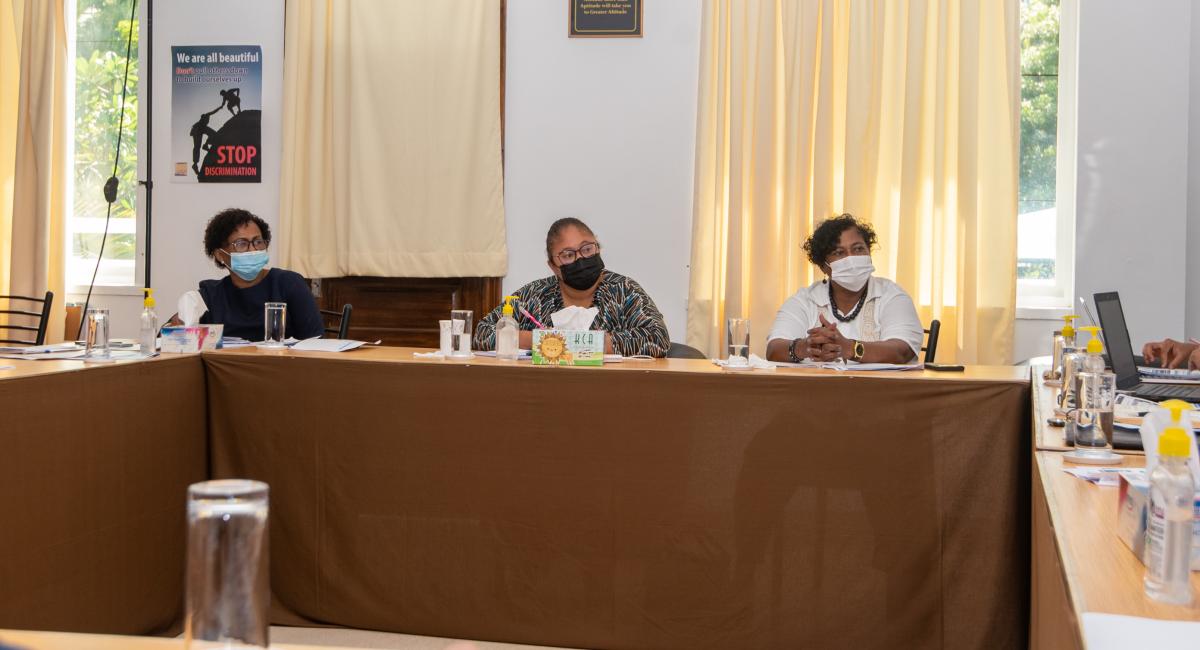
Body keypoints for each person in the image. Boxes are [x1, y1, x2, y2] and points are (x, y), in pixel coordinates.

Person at [474, 217, 670, 357]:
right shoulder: (534, 295)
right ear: (553, 266)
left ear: (598, 248)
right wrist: (542, 339)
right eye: (568, 255)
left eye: (586, 249)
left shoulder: (624, 291)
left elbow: (657, 339)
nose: (581, 259)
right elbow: (483, 335)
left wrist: (580, 343)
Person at [765, 214, 923, 364]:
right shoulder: (805, 300)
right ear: (824, 267)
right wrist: (806, 347)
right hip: (815, 391)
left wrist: (848, 348)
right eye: (839, 253)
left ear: (869, 252)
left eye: (858, 249)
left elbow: (901, 352)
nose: (851, 258)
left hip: (881, 392)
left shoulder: (893, 296)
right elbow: (773, 349)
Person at [167, 208, 323, 341]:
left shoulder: (288, 284)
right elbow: (170, 338)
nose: (253, 249)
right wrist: (178, 325)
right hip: (227, 373)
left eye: (258, 241)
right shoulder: (210, 295)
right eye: (241, 244)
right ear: (220, 255)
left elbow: (315, 341)